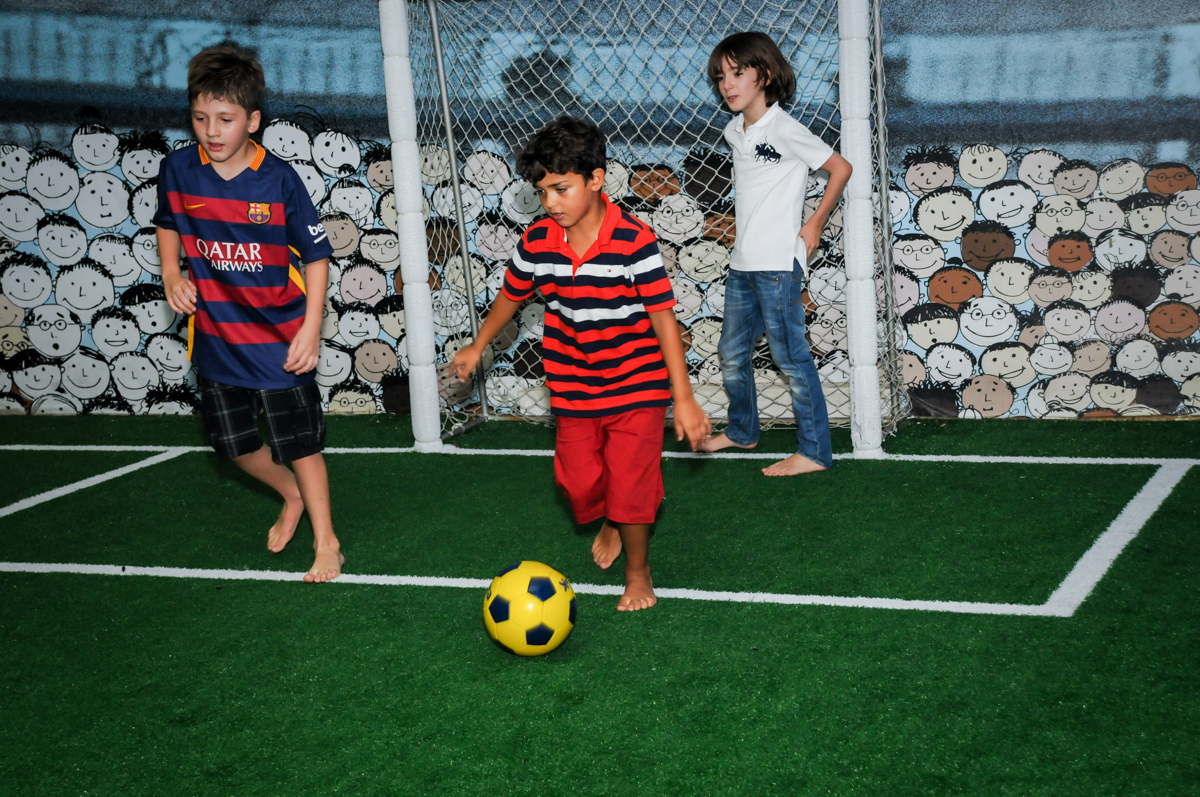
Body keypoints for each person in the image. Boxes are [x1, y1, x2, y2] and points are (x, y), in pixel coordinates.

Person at [451, 116, 710, 611]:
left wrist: (685, 397)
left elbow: (663, 320)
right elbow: (510, 296)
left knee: (631, 483)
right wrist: (478, 343)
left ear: (596, 179)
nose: (550, 202)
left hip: (638, 385)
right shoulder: (537, 242)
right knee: (578, 483)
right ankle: (612, 513)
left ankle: (638, 571)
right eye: (542, 190)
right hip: (572, 387)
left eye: (561, 189)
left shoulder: (634, 242)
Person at [154, 42, 343, 583]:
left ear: (253, 121)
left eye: (226, 119)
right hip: (216, 338)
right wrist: (173, 274)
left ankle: (327, 541)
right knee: (229, 444)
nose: (212, 131)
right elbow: (168, 222)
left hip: (280, 338)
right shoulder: (179, 170)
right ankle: (289, 493)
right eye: (200, 118)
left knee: (300, 443)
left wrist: (310, 329)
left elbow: (316, 254)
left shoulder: (278, 178)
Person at [697, 31, 853, 476]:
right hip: (743, 264)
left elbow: (840, 167)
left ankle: (814, 452)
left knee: (790, 357)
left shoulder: (784, 127)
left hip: (778, 265)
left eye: (738, 73)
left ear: (764, 75)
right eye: (720, 76)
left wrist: (814, 224)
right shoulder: (734, 129)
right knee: (731, 352)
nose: (728, 84)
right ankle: (743, 431)